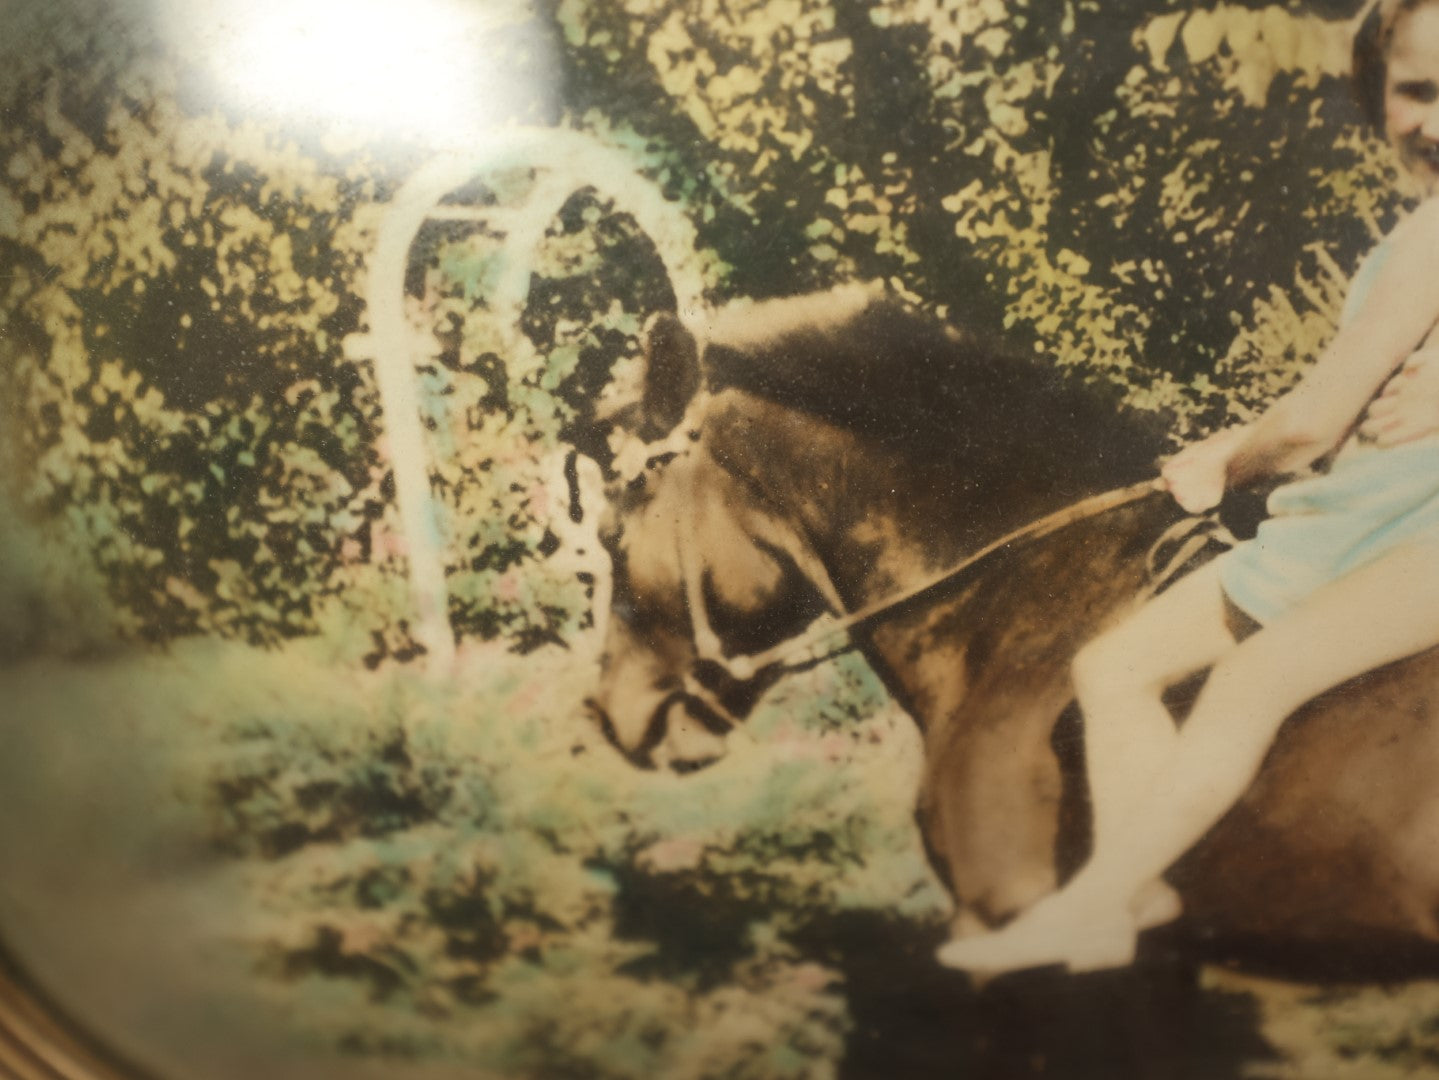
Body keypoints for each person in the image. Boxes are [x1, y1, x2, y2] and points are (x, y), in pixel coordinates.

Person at [937, 0, 1439, 975]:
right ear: (1375, 93)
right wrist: (1232, 434)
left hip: (1415, 538)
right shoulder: (1416, 229)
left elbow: (1308, 425)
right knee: (1111, 668)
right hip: (1353, 521)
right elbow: (1338, 398)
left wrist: (1228, 462)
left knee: (1250, 680)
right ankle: (1128, 894)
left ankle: (1086, 903)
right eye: (1416, 91)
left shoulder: (1430, 238)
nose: (1434, 124)